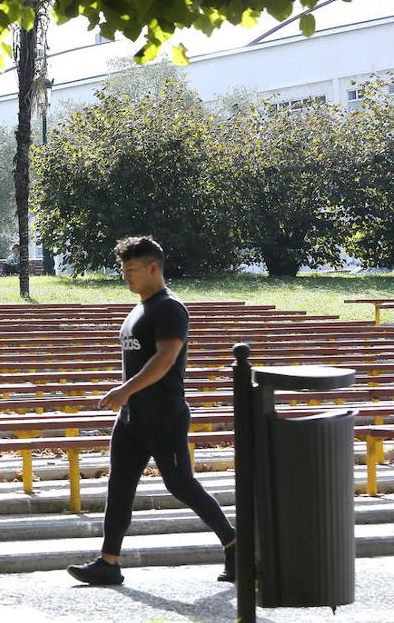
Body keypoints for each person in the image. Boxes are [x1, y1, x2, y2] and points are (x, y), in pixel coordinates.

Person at [66, 236, 236, 586]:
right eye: (123, 270)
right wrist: (127, 399)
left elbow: (165, 359)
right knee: (120, 486)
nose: (125, 277)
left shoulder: (170, 308)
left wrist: (125, 389)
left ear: (152, 267)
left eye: (131, 270)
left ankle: (236, 545)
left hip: (164, 416)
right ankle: (108, 562)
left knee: (181, 484)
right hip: (132, 418)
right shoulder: (138, 310)